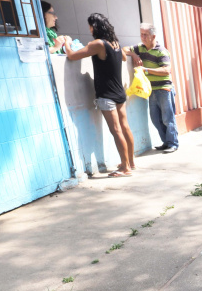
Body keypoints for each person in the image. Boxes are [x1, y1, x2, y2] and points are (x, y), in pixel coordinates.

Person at [66, 13, 136, 177]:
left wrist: (67, 44)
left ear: (94, 27)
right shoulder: (115, 43)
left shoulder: (98, 44)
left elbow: (72, 56)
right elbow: (124, 58)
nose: (89, 29)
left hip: (107, 94)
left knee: (116, 130)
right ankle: (130, 162)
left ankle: (125, 168)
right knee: (124, 127)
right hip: (119, 92)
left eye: (90, 26)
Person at [125, 23, 179, 154]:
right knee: (155, 118)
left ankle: (173, 143)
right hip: (151, 90)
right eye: (141, 34)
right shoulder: (140, 48)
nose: (142, 37)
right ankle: (166, 142)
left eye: (145, 35)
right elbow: (124, 49)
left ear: (153, 36)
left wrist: (146, 70)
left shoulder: (162, 51)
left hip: (164, 88)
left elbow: (166, 70)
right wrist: (134, 55)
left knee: (168, 118)